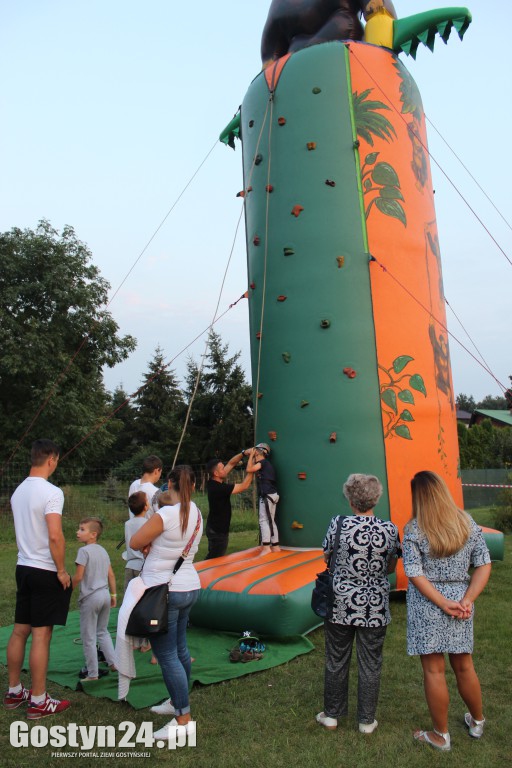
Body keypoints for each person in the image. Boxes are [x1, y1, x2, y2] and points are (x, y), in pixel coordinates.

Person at [403, 470, 492, 751]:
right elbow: (484, 564)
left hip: (428, 602)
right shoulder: (468, 523)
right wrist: (467, 599)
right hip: (461, 601)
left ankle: (441, 736)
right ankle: (477, 721)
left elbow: (414, 573)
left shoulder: (414, 529)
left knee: (434, 670)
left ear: (418, 496)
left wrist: (442, 602)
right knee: (464, 665)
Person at [316, 473, 400, 734]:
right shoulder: (390, 529)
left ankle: (331, 716)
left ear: (351, 499)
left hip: (340, 603)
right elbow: (391, 565)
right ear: (375, 498)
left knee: (336, 658)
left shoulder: (338, 524)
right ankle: (366, 720)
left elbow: (326, 556)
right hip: (374, 606)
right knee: (370, 661)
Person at [129, 465, 203, 737]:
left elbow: (136, 542)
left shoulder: (165, 514)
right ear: (193, 486)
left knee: (166, 654)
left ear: (168, 483)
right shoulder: (196, 513)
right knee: (180, 648)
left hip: (164, 589)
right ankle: (176, 703)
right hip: (189, 585)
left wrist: (149, 542)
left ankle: (183, 719)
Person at [4, 439, 72, 719]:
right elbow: (54, 534)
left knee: (20, 630)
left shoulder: (18, 491)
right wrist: (61, 569)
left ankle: (14, 691)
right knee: (41, 635)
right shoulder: (52, 492)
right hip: (44, 569)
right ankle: (39, 700)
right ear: (52, 459)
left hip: (23, 567)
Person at [72, 517, 117, 681]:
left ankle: (92, 673)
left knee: (88, 637)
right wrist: (113, 595)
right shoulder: (103, 550)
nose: (78, 532)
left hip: (90, 598)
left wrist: (66, 590)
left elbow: (78, 577)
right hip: (104, 595)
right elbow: (111, 574)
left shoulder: (83, 552)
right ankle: (114, 663)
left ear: (93, 534)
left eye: (82, 529)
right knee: (103, 632)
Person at [205, 448, 255, 559]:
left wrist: (243, 453)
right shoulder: (219, 488)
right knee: (214, 560)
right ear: (216, 473)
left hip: (213, 528)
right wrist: (252, 468)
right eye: (222, 468)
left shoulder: (213, 481)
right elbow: (244, 486)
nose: (225, 469)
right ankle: (200, 574)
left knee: (213, 557)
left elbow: (232, 463)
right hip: (218, 532)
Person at [247, 443, 280, 555]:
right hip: (273, 494)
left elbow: (249, 469)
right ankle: (275, 546)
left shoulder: (263, 463)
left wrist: (251, 455)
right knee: (271, 520)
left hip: (267, 495)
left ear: (258, 452)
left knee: (263, 520)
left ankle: (266, 547)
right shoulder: (267, 464)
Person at [124, 492, 149, 590]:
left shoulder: (127, 524)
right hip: (143, 566)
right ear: (145, 507)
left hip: (129, 565)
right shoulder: (147, 523)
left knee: (129, 595)